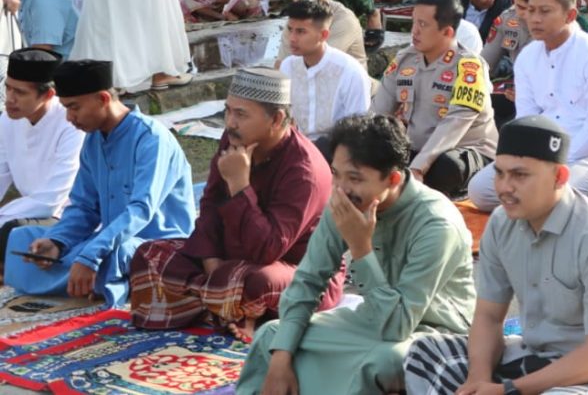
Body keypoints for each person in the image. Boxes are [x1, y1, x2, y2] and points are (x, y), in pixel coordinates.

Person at [403, 116, 588, 394]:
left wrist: (508, 390)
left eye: (520, 175)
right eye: (500, 173)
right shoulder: (500, 223)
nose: (505, 187)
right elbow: (489, 317)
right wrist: (478, 381)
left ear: (559, 177)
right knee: (425, 352)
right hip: (529, 355)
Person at [236, 113, 475, 394]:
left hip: (435, 331)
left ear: (393, 179)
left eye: (355, 178)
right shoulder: (345, 200)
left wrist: (360, 247)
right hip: (373, 318)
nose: (341, 188)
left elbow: (398, 326)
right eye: (336, 174)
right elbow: (308, 282)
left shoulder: (436, 223)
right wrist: (281, 357)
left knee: (385, 361)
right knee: (272, 337)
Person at [129, 69, 341, 335]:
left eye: (241, 114)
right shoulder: (233, 140)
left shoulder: (304, 171)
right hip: (229, 262)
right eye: (228, 111)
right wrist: (211, 262)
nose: (230, 122)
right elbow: (208, 208)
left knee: (256, 282)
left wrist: (240, 185)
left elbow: (269, 249)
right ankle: (226, 306)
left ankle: (218, 304)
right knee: (148, 256)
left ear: (276, 119)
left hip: (296, 270)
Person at [5, 60, 194, 305]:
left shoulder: (151, 139)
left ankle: (93, 277)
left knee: (113, 256)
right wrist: (57, 242)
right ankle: (91, 278)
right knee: (23, 238)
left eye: (74, 108)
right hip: (110, 238)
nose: (69, 118)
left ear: (103, 99)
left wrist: (91, 256)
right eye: (65, 109)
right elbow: (84, 207)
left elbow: (140, 210)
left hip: (154, 244)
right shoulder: (93, 141)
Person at [466, 0, 588, 210]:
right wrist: (528, 164)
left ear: (570, 15)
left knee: (558, 193)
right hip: (541, 154)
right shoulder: (528, 57)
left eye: (545, 11)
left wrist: (552, 164)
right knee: (480, 190)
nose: (535, 19)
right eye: (531, 10)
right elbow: (526, 120)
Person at [373, 0, 498, 197]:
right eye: (414, 22)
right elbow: (378, 112)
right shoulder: (405, 59)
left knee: (445, 167)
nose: (414, 31)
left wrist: (419, 166)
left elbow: (454, 123)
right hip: (416, 147)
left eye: (423, 24)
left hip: (465, 150)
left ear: (447, 32)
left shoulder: (469, 67)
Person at [0, 50, 84, 269]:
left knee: (12, 232)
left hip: (65, 216)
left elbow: (51, 200)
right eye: (7, 88)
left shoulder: (71, 125)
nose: (9, 99)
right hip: (25, 213)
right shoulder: (7, 121)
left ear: (48, 95)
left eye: (19, 92)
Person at [278, 0, 371, 143]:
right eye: (290, 30)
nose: (292, 38)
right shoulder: (287, 67)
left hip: (337, 150)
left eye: (301, 32)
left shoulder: (350, 72)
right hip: (297, 146)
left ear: (323, 35)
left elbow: (358, 130)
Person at [275, 0, 366, 67]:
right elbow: (281, 62)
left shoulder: (345, 20)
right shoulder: (298, 15)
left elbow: (320, 63)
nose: (297, 0)